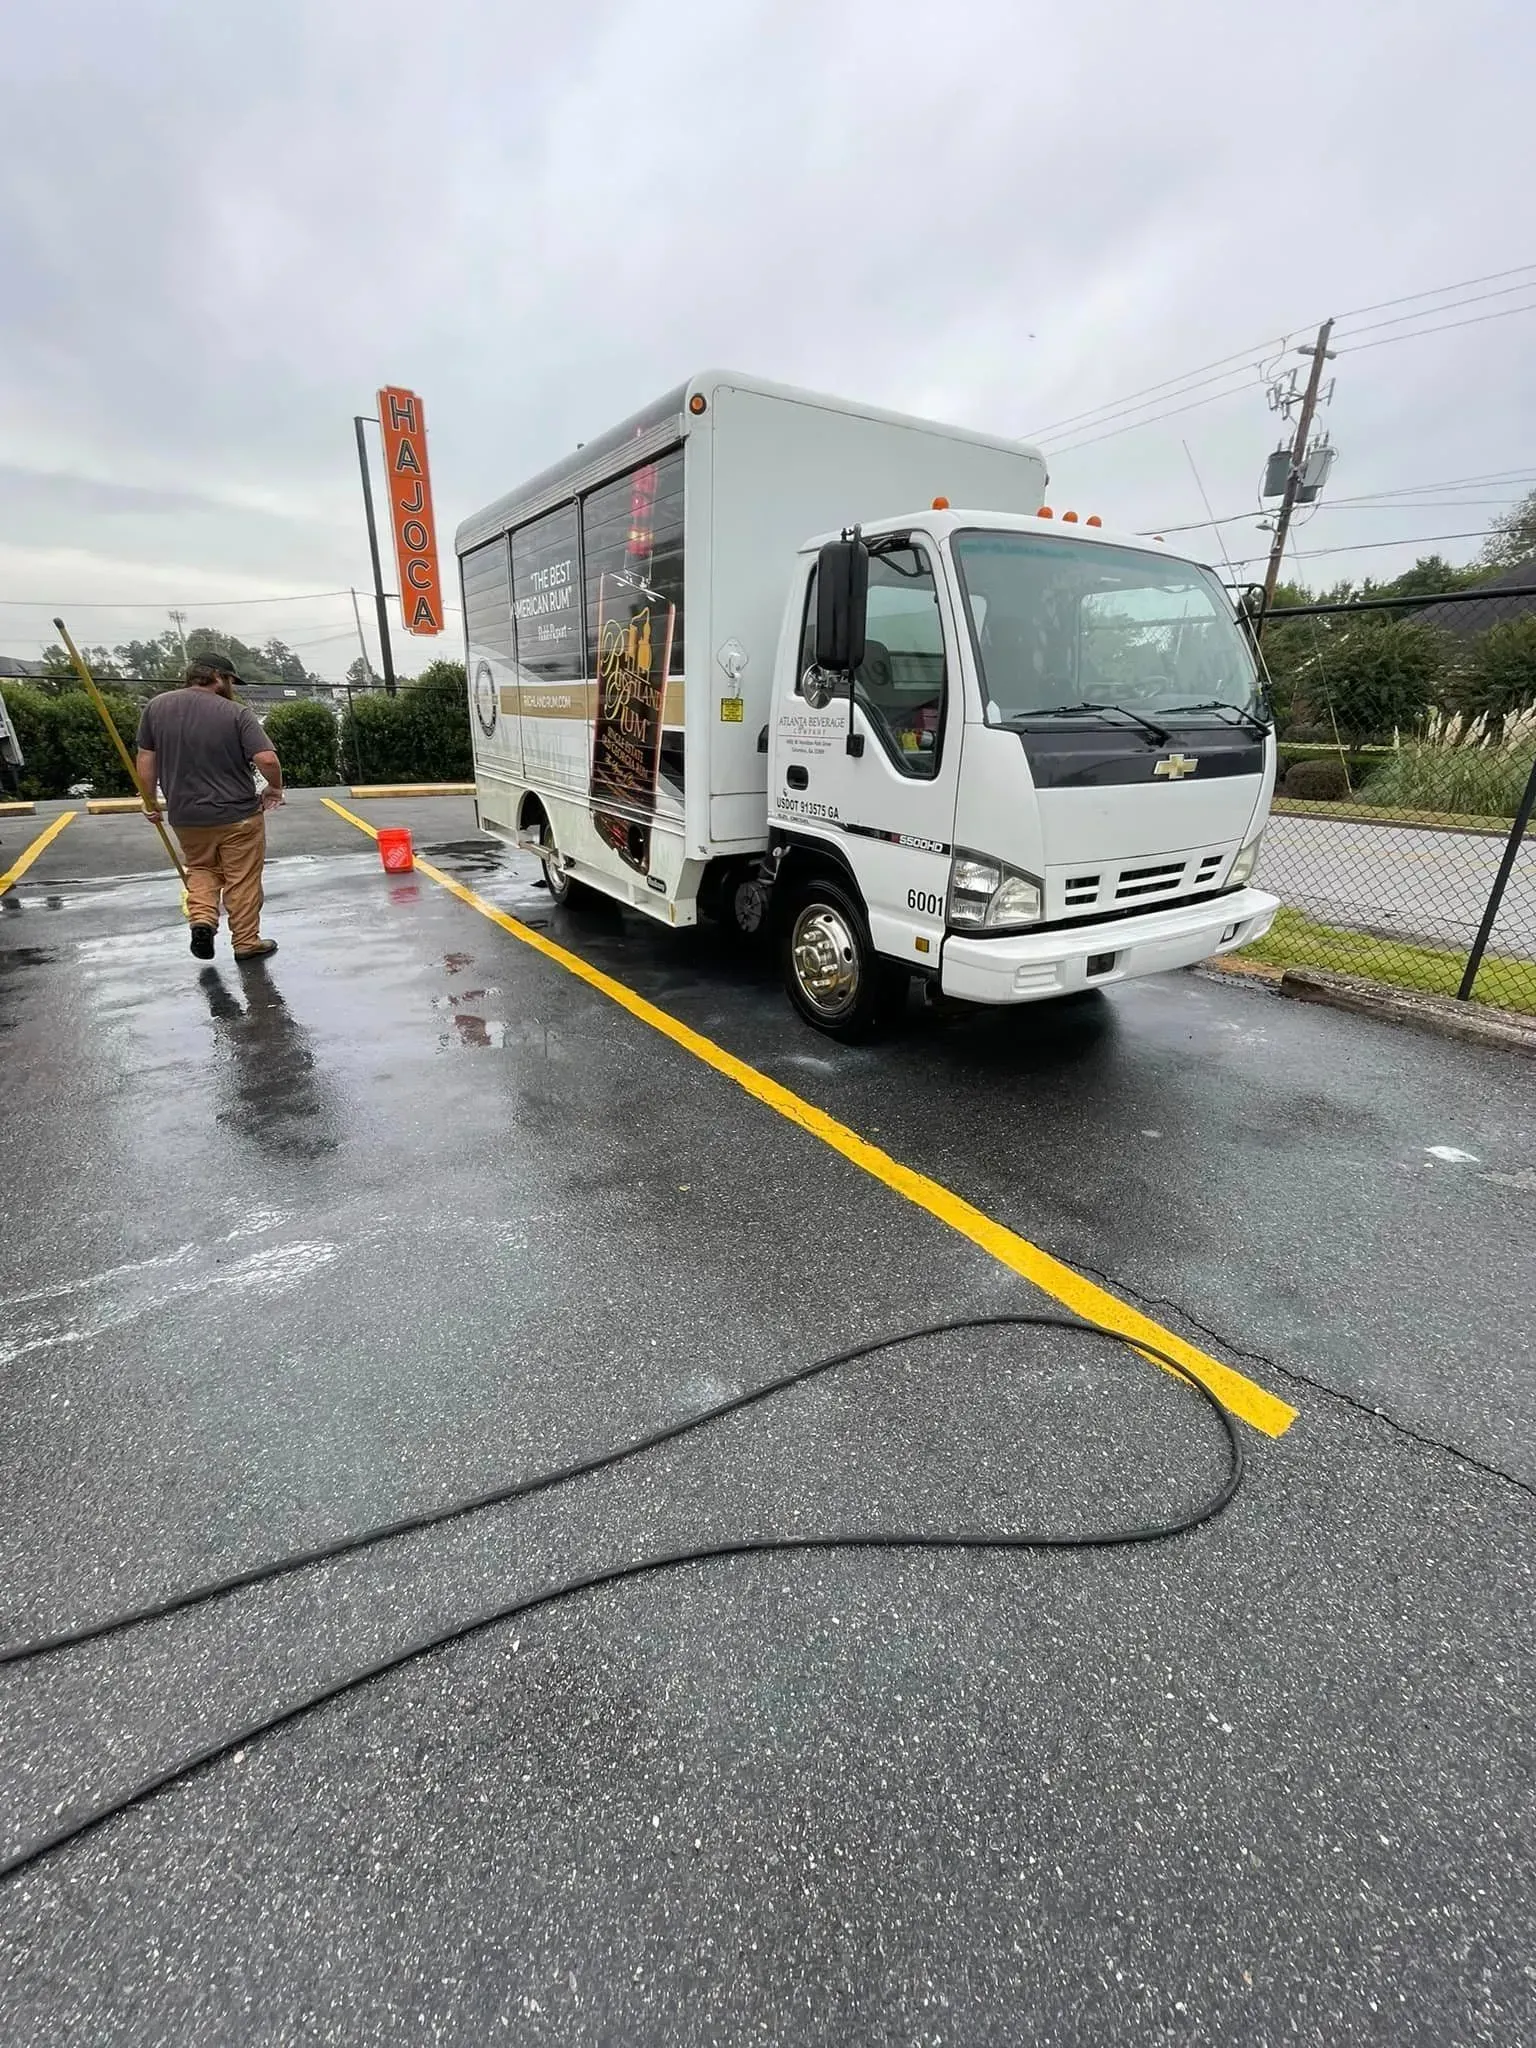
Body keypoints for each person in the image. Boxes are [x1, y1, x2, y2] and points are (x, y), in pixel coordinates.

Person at [135, 655, 285, 962]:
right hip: (238, 814)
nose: (232, 687)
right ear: (218, 677)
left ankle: (202, 920)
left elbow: (146, 758)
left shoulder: (156, 708)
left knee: (201, 869)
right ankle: (245, 941)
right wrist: (275, 788)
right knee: (241, 878)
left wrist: (149, 801)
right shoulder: (236, 713)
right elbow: (267, 759)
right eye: (231, 680)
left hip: (186, 815)